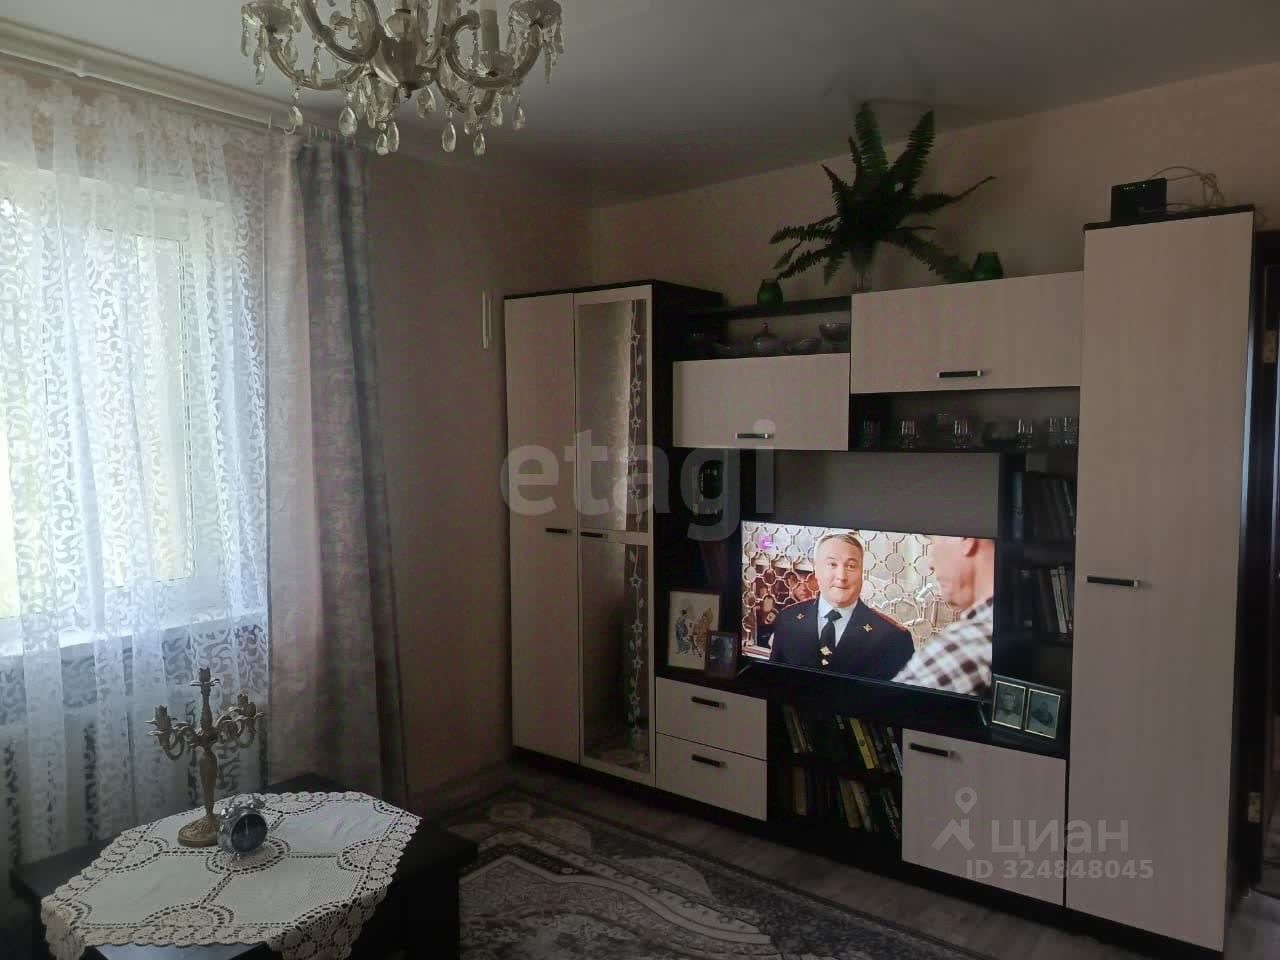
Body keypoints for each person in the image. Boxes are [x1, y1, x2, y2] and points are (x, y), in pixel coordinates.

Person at [769, 532, 914, 680]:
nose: (842, 576)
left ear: (862, 572)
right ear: (816, 570)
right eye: (832, 564)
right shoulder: (787, 619)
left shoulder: (893, 637)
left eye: (851, 566)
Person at [893, 535, 996, 696]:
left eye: (933, 542)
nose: (931, 564)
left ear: (967, 540)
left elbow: (884, 707)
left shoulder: (965, 647)